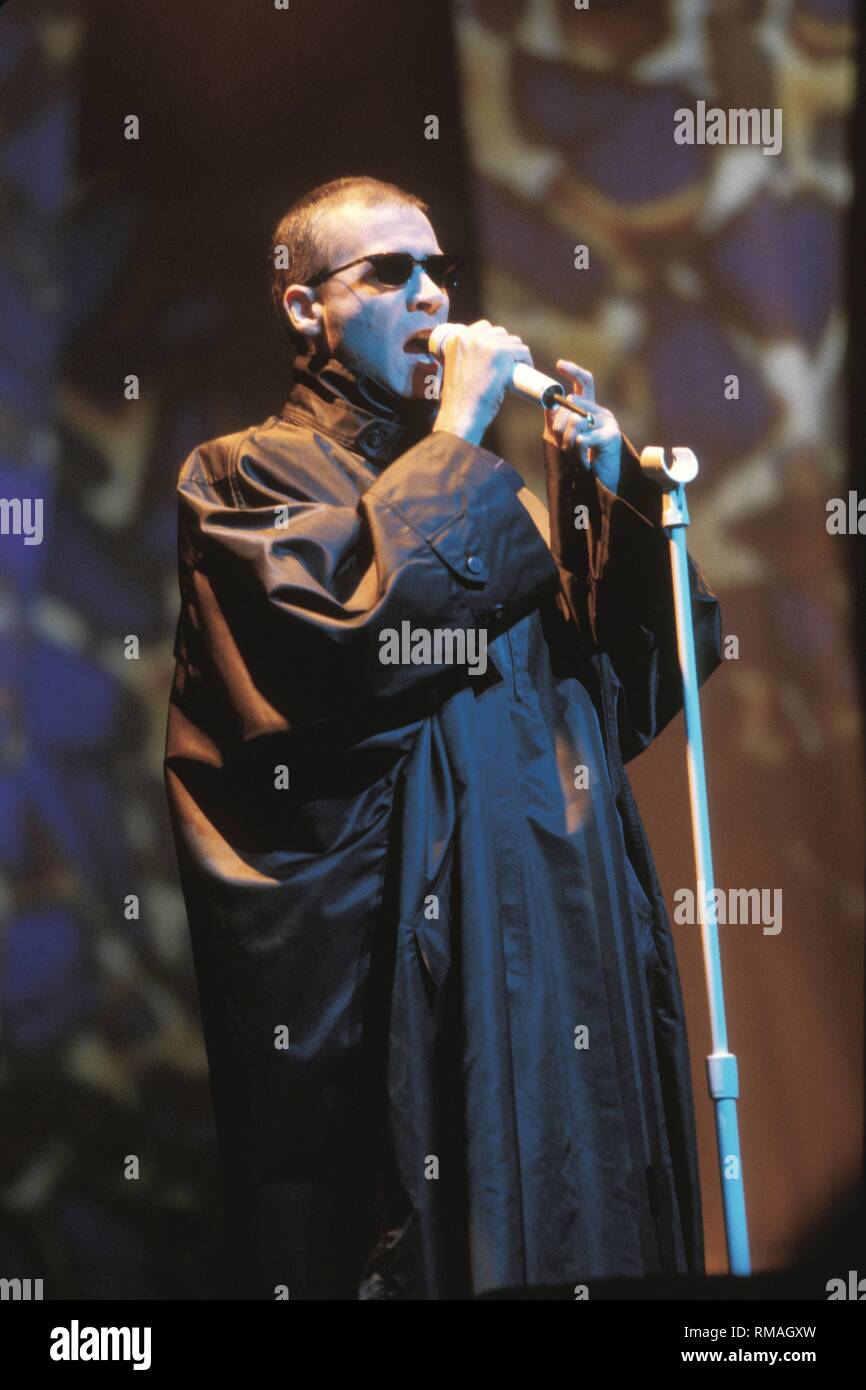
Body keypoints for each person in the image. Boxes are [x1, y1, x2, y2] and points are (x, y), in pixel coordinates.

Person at [163, 175, 722, 1300]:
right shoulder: (242, 474)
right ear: (303, 307)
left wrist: (599, 498)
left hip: (564, 954)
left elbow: (614, 703)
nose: (429, 296)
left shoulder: (497, 499)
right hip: (424, 979)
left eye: (437, 272)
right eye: (388, 273)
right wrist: (462, 430)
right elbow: (349, 648)